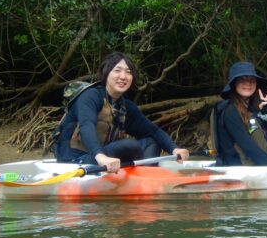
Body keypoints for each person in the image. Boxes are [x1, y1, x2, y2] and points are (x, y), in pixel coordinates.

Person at [53, 52, 189, 172]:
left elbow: (153, 131)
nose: (123, 76)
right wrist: (101, 157)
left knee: (151, 141)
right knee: (129, 145)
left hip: (105, 158)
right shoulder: (90, 96)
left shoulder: (125, 106)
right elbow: (86, 125)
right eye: (117, 70)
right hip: (76, 159)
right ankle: (139, 177)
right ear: (106, 74)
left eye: (128, 72)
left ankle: (144, 177)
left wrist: (174, 149)